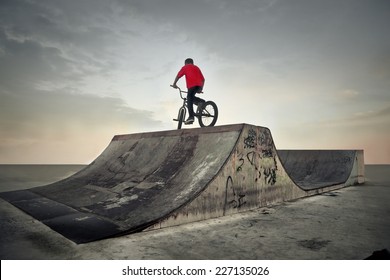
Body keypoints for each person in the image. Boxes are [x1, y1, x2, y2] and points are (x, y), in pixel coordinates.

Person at [172, 58, 205, 124]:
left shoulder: (185, 67)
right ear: (192, 63)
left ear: (186, 63)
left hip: (191, 86)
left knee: (189, 98)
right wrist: (201, 88)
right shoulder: (197, 68)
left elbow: (178, 76)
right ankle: (201, 102)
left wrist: (174, 84)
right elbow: (203, 79)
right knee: (191, 97)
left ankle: (191, 117)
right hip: (199, 85)